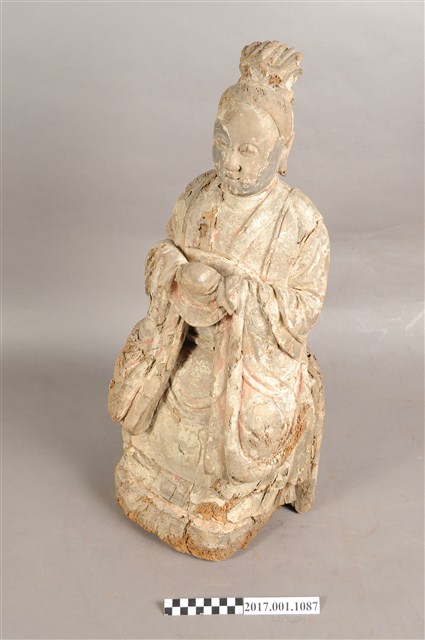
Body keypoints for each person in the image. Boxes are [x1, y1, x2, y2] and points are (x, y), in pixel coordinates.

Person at [108, 41, 330, 560]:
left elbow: (304, 306)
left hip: (252, 361)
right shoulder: (197, 196)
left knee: (242, 427)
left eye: (248, 151)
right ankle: (160, 477)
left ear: (282, 152)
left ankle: (233, 496)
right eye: (221, 142)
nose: (230, 162)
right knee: (155, 408)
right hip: (184, 342)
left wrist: (237, 293)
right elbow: (164, 251)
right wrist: (176, 272)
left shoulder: (300, 222)